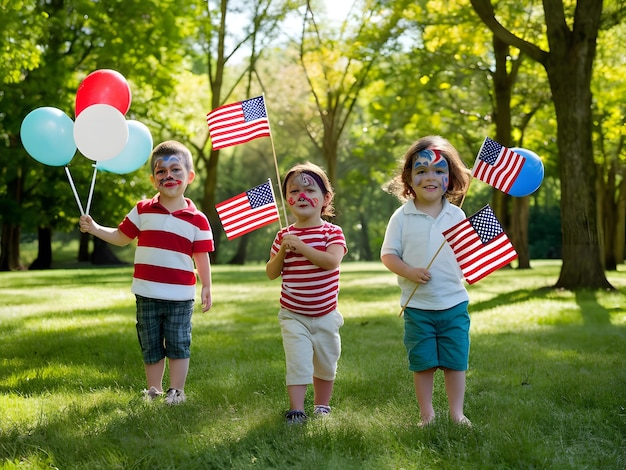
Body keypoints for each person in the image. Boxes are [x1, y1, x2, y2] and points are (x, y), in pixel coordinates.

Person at [79, 140, 214, 405]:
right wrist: (95, 228)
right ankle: (153, 389)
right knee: (150, 343)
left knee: (178, 343)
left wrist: (207, 285)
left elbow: (201, 255)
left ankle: (176, 390)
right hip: (146, 292)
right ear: (153, 180)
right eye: (161, 172)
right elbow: (121, 236)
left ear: (190, 176)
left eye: (176, 170)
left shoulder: (197, 219)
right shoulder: (142, 210)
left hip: (180, 296)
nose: (169, 176)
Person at [380, 135, 472, 427]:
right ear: (408, 178)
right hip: (418, 305)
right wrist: (408, 271)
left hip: (453, 303)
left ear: (451, 178)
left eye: (439, 171)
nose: (430, 177)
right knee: (423, 363)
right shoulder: (402, 216)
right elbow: (388, 255)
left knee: (455, 362)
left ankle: (457, 414)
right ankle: (427, 414)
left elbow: (469, 255)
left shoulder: (457, 215)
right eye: (421, 171)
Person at [266, 162, 347, 424]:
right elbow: (271, 272)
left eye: (310, 190)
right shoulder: (283, 235)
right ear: (287, 199)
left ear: (325, 198)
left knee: (325, 362)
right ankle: (296, 409)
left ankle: (321, 406)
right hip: (293, 315)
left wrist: (301, 247)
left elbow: (331, 262)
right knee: (298, 362)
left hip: (325, 314)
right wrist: (282, 251)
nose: (302, 196)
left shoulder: (332, 232)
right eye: (294, 191)